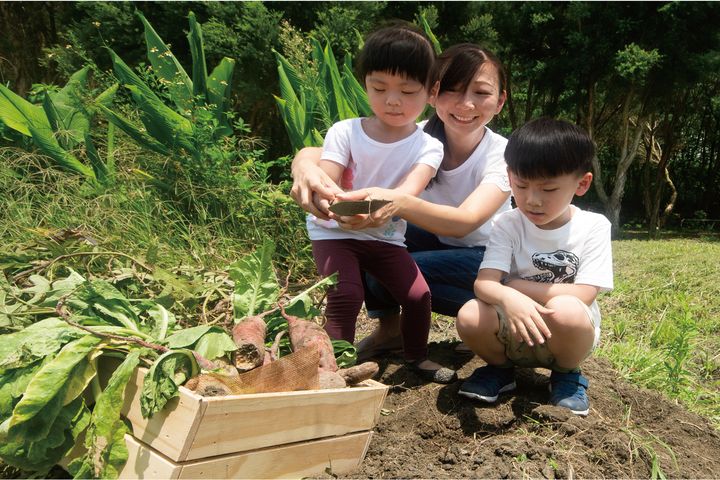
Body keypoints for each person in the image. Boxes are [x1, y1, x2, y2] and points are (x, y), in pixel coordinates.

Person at [291, 43, 512, 363]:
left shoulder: (503, 156)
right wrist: (303, 165)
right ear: (433, 94)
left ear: (500, 101)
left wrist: (397, 202)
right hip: (433, 239)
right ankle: (390, 330)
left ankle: (495, 311)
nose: (466, 103)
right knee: (370, 244)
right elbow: (333, 147)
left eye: (480, 92)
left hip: (486, 258)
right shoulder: (417, 137)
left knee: (393, 268)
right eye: (453, 89)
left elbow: (466, 221)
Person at [305, 24, 458, 383]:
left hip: (385, 237)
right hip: (335, 233)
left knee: (418, 295)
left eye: (407, 91)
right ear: (365, 84)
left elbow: (408, 192)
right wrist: (331, 203)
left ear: (431, 92)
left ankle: (417, 357)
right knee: (346, 294)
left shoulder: (428, 146)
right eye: (379, 88)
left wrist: (375, 212)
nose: (392, 100)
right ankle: (333, 370)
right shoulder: (345, 132)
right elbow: (326, 179)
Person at [455, 117, 613, 416]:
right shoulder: (507, 223)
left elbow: (585, 295)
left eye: (548, 189)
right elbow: (485, 283)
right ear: (509, 176)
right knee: (470, 314)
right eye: (521, 185)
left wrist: (514, 287)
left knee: (567, 309)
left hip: (564, 334)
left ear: (582, 183)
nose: (532, 200)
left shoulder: (593, 226)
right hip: (512, 327)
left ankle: (567, 375)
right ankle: (501, 370)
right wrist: (507, 297)